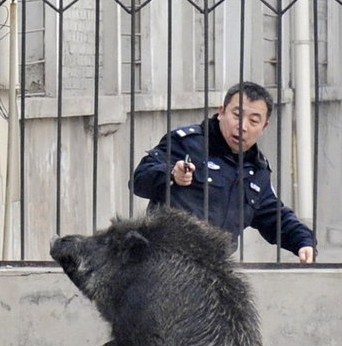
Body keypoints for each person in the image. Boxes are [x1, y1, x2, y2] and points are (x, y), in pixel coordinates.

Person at [131, 81, 315, 263]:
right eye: (236, 115)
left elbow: (275, 216)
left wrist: (303, 241)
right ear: (221, 112)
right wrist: (171, 175)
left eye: (253, 121)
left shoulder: (256, 171)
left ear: (264, 127)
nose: (242, 126)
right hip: (163, 263)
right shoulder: (187, 143)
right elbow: (139, 179)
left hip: (213, 270)